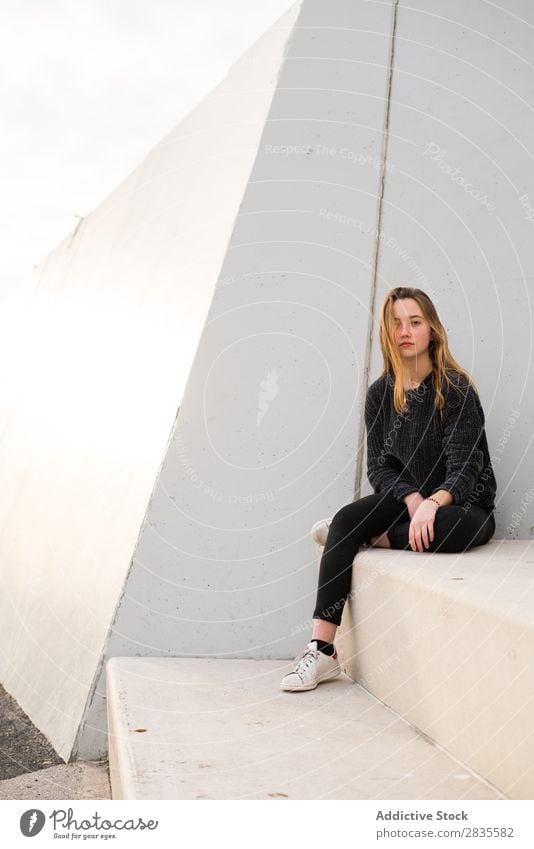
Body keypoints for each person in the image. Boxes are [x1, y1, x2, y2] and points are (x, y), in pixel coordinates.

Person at [281, 286, 497, 692]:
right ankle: (321, 650)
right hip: (406, 502)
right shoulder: (381, 394)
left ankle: (366, 539)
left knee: (451, 527)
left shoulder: (456, 389)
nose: (405, 331)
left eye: (414, 322)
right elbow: (379, 467)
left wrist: (433, 502)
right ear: (387, 332)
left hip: (463, 506)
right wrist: (413, 498)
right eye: (396, 323)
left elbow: (467, 467)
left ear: (431, 329)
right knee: (346, 518)